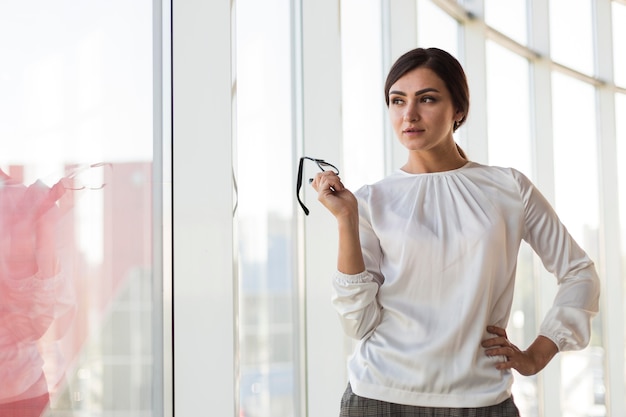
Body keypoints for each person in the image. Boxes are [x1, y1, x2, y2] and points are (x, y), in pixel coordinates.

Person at [309, 47, 600, 416]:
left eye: (426, 99)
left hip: (481, 401)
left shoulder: (508, 188)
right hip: (377, 396)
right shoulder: (369, 201)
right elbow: (357, 322)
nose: (409, 115)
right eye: (397, 101)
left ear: (458, 110)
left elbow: (579, 272)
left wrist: (537, 355)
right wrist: (345, 220)